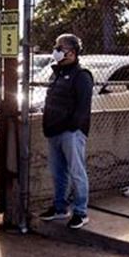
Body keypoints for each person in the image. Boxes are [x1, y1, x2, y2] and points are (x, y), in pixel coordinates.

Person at [38, 33, 93, 230]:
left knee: (77, 172)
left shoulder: (81, 76)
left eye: (60, 48)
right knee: (57, 172)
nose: (56, 51)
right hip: (54, 131)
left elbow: (83, 107)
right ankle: (60, 208)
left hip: (71, 132)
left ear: (72, 52)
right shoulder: (57, 73)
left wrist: (72, 127)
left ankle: (80, 212)